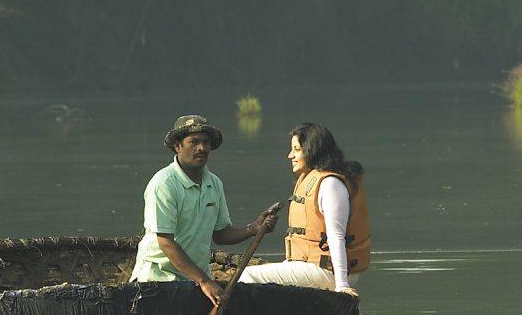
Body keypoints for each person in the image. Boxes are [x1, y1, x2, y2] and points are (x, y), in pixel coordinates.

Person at [240, 122, 369, 297]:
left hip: (331, 271)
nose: (290, 155)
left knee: (246, 275)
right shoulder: (311, 179)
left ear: (312, 150)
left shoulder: (330, 184)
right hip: (314, 267)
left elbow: (336, 236)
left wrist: (342, 286)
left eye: (296, 149)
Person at [135, 114, 245, 304]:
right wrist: (204, 281)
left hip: (195, 279)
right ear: (178, 146)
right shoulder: (164, 184)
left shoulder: (214, 183)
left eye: (205, 142)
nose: (201, 148)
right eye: (193, 142)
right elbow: (166, 243)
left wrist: (254, 228)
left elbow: (220, 234)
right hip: (159, 280)